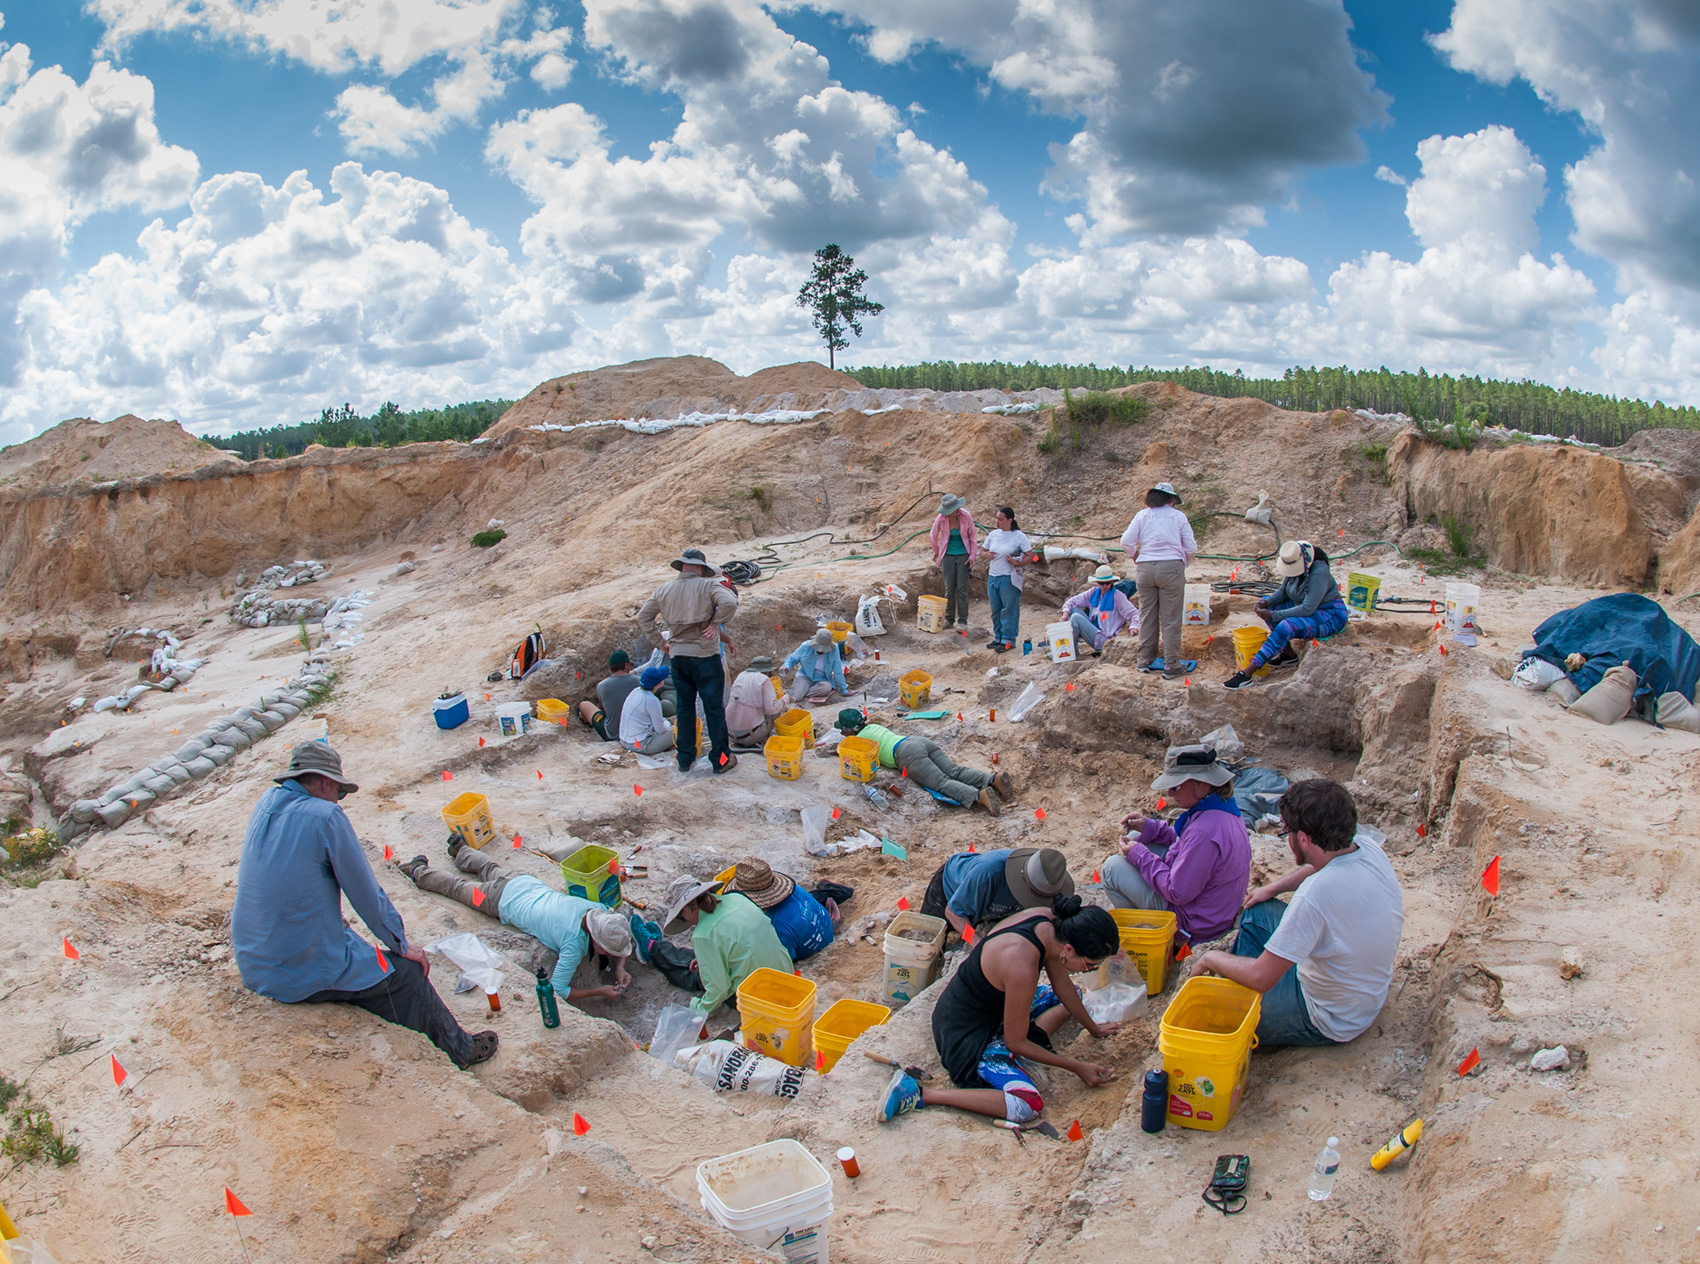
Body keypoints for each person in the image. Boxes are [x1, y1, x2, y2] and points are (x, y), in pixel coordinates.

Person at [231, 744, 497, 1069]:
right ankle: (460, 1050)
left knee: (351, 940)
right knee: (407, 975)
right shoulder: (326, 816)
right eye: (340, 793)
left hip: (253, 961)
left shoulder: (267, 801)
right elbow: (365, 895)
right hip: (294, 973)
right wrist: (401, 944)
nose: (338, 801)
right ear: (326, 783)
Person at [1186, 779, 1404, 1047]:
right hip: (1363, 991)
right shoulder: (1367, 849)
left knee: (1227, 1014)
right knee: (1258, 910)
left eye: (1287, 832)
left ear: (1303, 838)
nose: (1287, 839)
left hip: (1330, 1017)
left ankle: (1242, 1019)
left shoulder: (1314, 896)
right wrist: (1274, 888)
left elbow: (1261, 977)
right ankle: (1240, 979)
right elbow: (1321, 866)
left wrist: (1211, 958)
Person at [877, 895, 1121, 1124]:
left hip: (984, 1006)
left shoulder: (1050, 923)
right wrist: (1076, 1066)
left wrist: (1094, 1028)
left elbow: (1063, 986)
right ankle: (920, 1093)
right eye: (1089, 965)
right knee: (1027, 1105)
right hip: (965, 1036)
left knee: (1072, 996)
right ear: (1069, 949)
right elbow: (1016, 1042)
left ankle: (1023, 1042)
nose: (1086, 971)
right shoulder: (1021, 965)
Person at [400, 842, 635, 1009]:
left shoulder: (599, 911)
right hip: (497, 901)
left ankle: (460, 849)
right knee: (459, 888)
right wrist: (599, 991)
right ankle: (417, 870)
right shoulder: (573, 944)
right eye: (611, 952)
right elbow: (558, 990)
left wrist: (620, 967)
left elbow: (620, 933)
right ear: (597, 940)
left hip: (523, 881)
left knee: (490, 869)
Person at [1102, 744, 1251, 945]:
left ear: (1200, 784)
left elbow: (1177, 892)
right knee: (1140, 836)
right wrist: (1151, 828)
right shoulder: (1219, 808)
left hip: (1194, 924)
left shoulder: (1204, 832)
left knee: (1112, 869)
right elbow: (1184, 842)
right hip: (1211, 910)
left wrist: (1140, 856)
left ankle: (1157, 938)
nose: (1170, 794)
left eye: (1175, 787)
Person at [637, 547, 739, 774]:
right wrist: (714, 623)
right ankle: (721, 760)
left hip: (679, 657)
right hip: (705, 657)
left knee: (684, 709)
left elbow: (643, 616)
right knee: (714, 710)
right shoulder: (708, 585)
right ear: (702, 568)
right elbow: (730, 603)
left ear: (682, 566)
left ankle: (685, 759)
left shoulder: (664, 589)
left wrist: (658, 642)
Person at [835, 709, 1012, 815]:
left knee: (941, 782)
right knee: (953, 771)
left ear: (849, 730)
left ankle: (977, 796)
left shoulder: (859, 739)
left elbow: (852, 757)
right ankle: (992, 779)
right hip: (917, 741)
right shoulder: (873, 727)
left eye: (843, 730)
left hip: (906, 755)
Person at [660, 875, 794, 1016]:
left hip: (757, 997)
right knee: (701, 958)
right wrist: (704, 959)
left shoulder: (703, 935)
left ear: (687, 908)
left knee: (692, 974)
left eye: (681, 916)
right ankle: (655, 947)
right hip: (786, 978)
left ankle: (653, 948)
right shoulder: (738, 899)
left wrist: (699, 1008)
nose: (685, 921)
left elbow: (719, 988)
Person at [1225, 540, 1350, 690]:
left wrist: (1273, 615)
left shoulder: (1318, 573)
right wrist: (1266, 603)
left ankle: (1247, 674)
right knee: (1268, 604)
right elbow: (1283, 592)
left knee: (1286, 625)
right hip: (1306, 606)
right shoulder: (1296, 565)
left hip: (1329, 613)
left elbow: (1307, 609)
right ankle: (1289, 656)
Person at [1121, 481, 1196, 679]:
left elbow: (1126, 541)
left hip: (1145, 567)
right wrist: (1183, 562)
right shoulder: (1178, 516)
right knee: (1171, 619)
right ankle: (1171, 664)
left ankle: (1144, 660)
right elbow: (1190, 546)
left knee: (1147, 615)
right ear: (1171, 499)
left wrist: (1135, 555)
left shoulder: (1142, 515)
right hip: (1171, 566)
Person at [919, 845, 1072, 938]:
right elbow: (954, 913)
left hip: (991, 907)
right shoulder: (988, 873)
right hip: (948, 892)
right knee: (930, 939)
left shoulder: (1050, 876)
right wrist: (976, 942)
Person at [728, 859, 840, 961]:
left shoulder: (776, 926)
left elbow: (782, 960)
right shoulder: (793, 889)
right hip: (825, 925)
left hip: (809, 950)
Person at [979, 506, 1031, 652]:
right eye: (996, 519)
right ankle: (998, 637)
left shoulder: (1019, 536)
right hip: (993, 576)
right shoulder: (994, 534)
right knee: (995, 608)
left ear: (1009, 520)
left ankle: (1008, 639)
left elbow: (1029, 555)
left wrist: (1017, 563)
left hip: (1008, 577)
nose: (997, 522)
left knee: (1009, 609)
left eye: (1000, 519)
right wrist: (986, 555)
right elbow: (982, 552)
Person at [1061, 564, 1139, 658]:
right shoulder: (1093, 592)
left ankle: (1070, 650)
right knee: (1073, 610)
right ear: (1097, 582)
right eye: (1102, 583)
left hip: (1105, 639)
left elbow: (1134, 613)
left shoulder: (1118, 597)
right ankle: (1073, 649)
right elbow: (1072, 601)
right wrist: (1065, 613)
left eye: (1107, 583)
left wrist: (1134, 627)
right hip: (1095, 630)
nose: (1105, 586)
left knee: (1075, 617)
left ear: (1111, 582)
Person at [930, 494, 977, 631]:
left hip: (963, 554)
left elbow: (972, 536)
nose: (958, 510)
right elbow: (933, 535)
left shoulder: (966, 516)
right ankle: (949, 619)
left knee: (962, 588)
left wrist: (972, 556)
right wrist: (937, 551)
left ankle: (963, 620)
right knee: (949, 588)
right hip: (948, 555)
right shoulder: (941, 518)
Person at [726, 655, 789, 749]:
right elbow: (771, 709)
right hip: (749, 737)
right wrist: (786, 699)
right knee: (776, 710)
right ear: (766, 671)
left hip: (729, 734)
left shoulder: (741, 675)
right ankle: (762, 740)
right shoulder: (764, 679)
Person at [578, 649, 641, 740]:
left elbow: (605, 708)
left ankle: (586, 723)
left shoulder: (601, 686)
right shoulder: (639, 681)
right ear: (626, 665)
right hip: (636, 733)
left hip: (612, 735)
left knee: (584, 705)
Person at [619, 665, 675, 755]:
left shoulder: (635, 691)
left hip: (625, 739)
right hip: (639, 745)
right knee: (681, 730)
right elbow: (661, 730)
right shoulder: (652, 700)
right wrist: (668, 723)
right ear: (657, 684)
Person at [781, 628, 847, 704]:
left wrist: (844, 689)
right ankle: (799, 692)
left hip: (822, 679)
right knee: (795, 697)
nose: (821, 651)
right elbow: (793, 658)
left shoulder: (834, 649)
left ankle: (803, 692)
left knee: (827, 687)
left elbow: (837, 670)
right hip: (805, 675)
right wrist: (786, 666)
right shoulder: (805, 646)